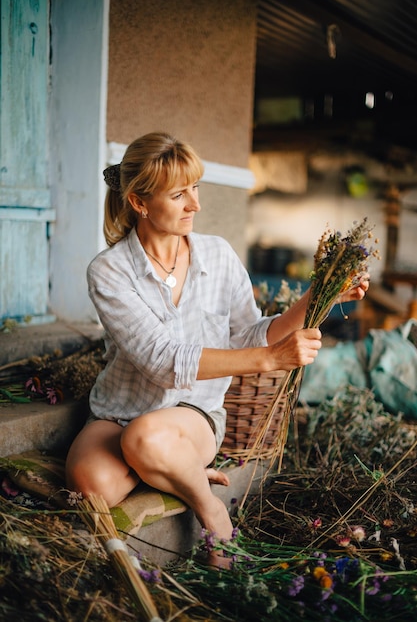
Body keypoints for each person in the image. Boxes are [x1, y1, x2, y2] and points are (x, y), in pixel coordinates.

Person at [65, 132, 369, 568]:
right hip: (119, 411)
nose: (195, 205)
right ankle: (178, 472)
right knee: (89, 484)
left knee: (146, 438)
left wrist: (322, 295)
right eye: (178, 194)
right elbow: (162, 361)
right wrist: (270, 360)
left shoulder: (219, 255)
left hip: (192, 415)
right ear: (138, 202)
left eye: (196, 188)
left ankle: (209, 506)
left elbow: (252, 333)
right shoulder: (109, 271)